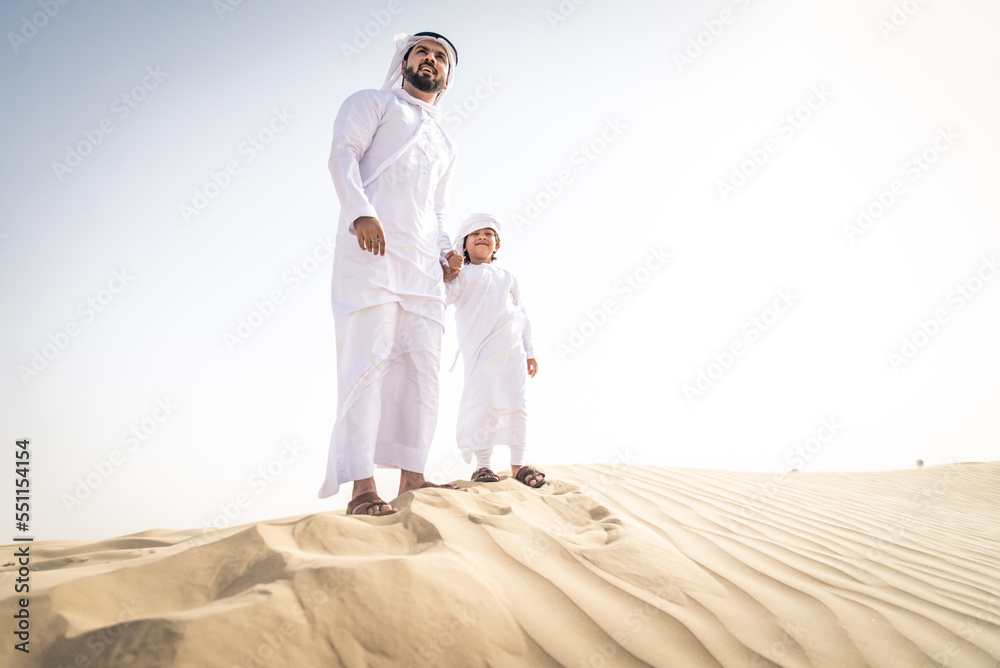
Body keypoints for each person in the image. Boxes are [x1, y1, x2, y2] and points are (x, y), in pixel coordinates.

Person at [318, 32, 466, 516]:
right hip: (372, 254)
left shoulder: (446, 140)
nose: (431, 59)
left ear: (447, 77)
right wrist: (360, 212)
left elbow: (438, 210)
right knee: (367, 366)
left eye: (441, 56)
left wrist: (446, 253)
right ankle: (362, 488)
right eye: (422, 50)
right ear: (403, 61)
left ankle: (414, 479)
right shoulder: (373, 102)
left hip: (422, 268)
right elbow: (342, 156)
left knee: (422, 371)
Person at [445, 213, 545, 488]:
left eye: (488, 234)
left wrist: (530, 350)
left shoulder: (507, 276)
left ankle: (518, 464)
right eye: (475, 234)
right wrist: (446, 271)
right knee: (483, 404)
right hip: (480, 353)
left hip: (512, 351)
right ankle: (483, 466)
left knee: (517, 403)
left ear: (496, 245)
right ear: (464, 244)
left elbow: (520, 313)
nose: (482, 237)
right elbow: (444, 297)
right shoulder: (460, 276)